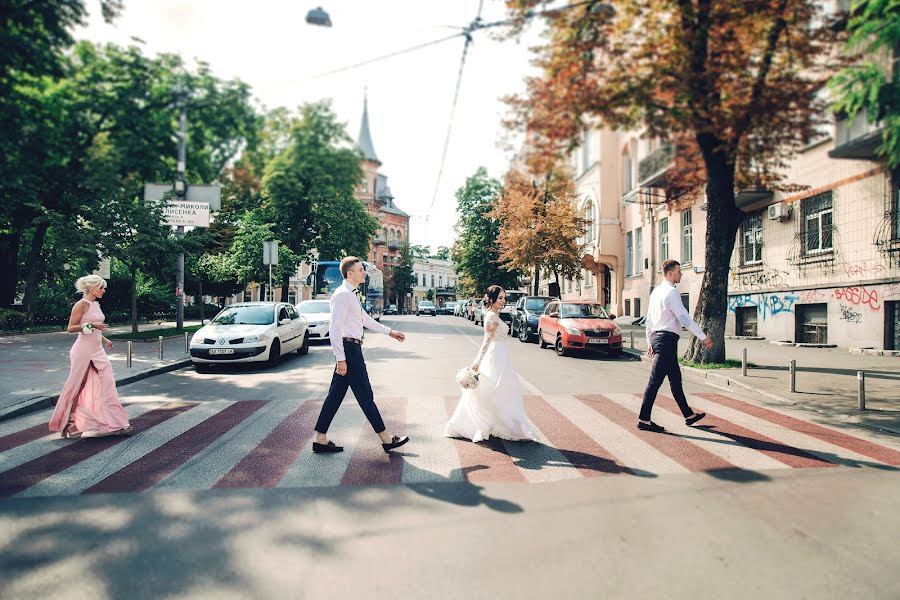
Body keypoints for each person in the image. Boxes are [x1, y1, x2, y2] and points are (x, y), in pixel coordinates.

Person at [312, 256, 410, 454]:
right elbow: (334, 328)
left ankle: (320, 438)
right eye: (360, 269)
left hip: (351, 349)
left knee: (335, 396)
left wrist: (389, 332)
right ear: (350, 273)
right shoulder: (343, 295)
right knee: (365, 395)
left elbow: (365, 319)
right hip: (349, 351)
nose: (364, 272)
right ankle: (385, 437)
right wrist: (341, 358)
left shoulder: (351, 294)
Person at [445, 285, 539, 443]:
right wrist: (477, 362)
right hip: (494, 356)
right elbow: (487, 341)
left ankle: (508, 426)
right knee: (495, 391)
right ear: (492, 299)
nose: (504, 301)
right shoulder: (491, 317)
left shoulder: (495, 315)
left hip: (502, 356)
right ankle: (479, 424)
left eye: (504, 298)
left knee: (504, 391)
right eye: (500, 298)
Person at [49, 275, 132, 439]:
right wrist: (92, 325)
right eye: (101, 288)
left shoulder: (95, 304)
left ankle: (115, 423)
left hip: (97, 349)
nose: (104, 290)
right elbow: (71, 328)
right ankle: (69, 425)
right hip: (83, 350)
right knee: (77, 387)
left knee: (107, 384)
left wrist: (104, 339)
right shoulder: (81, 305)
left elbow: (95, 330)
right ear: (92, 288)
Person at [639, 259, 713, 433]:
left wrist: (650, 341)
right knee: (654, 382)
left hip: (661, 339)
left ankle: (688, 415)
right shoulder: (671, 293)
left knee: (676, 381)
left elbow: (649, 320)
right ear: (670, 274)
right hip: (666, 342)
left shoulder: (656, 292)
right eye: (679, 271)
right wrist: (703, 337)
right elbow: (684, 318)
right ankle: (644, 419)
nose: (681, 274)